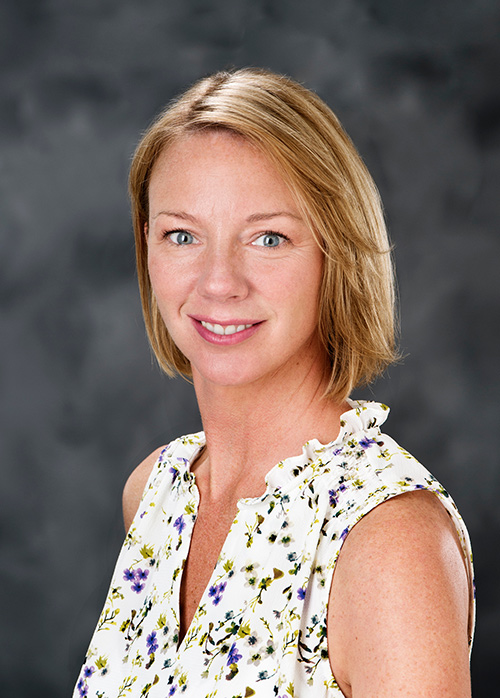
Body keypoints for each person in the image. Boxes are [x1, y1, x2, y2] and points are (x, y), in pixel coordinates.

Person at [74, 68, 474, 698]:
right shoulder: (157, 494)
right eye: (182, 235)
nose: (219, 282)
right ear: (146, 248)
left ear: (335, 253)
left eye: (268, 238)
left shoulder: (389, 538)